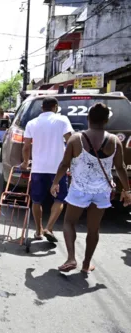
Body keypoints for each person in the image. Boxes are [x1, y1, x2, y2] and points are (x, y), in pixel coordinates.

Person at [50, 103, 131, 273]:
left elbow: (64, 164)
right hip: (102, 192)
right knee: (93, 229)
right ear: (106, 120)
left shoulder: (75, 139)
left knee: (69, 222)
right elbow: (121, 167)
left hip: (79, 189)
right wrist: (127, 189)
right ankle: (86, 264)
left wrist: (55, 182)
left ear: (88, 119)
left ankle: (71, 258)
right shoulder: (114, 141)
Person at [21, 97, 73, 242]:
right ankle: (49, 228)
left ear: (42, 107)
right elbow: (70, 142)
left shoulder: (32, 123)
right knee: (59, 198)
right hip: (58, 169)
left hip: (38, 168)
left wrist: (25, 162)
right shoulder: (62, 120)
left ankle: (38, 231)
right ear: (55, 107)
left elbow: (26, 147)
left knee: (36, 201)